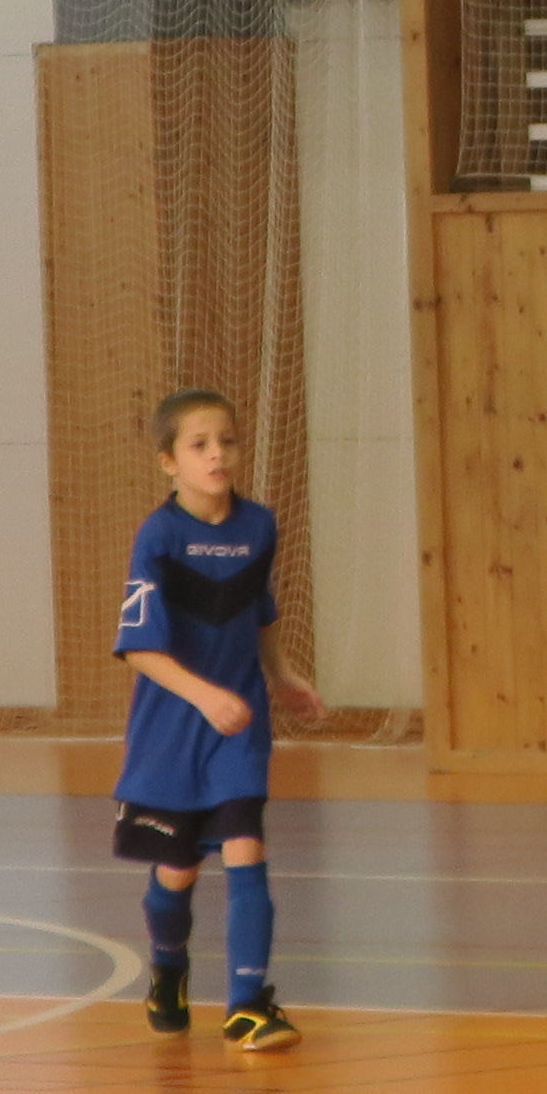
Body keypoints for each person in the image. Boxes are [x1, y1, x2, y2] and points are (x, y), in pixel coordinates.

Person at [116, 388, 319, 1046]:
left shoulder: (259, 525)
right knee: (178, 869)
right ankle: (168, 966)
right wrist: (203, 695)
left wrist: (280, 673)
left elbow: (260, 609)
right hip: (173, 728)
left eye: (227, 442)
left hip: (239, 726)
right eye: (199, 445)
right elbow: (140, 649)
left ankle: (247, 1004)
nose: (217, 455)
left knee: (245, 846)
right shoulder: (160, 536)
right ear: (168, 462)